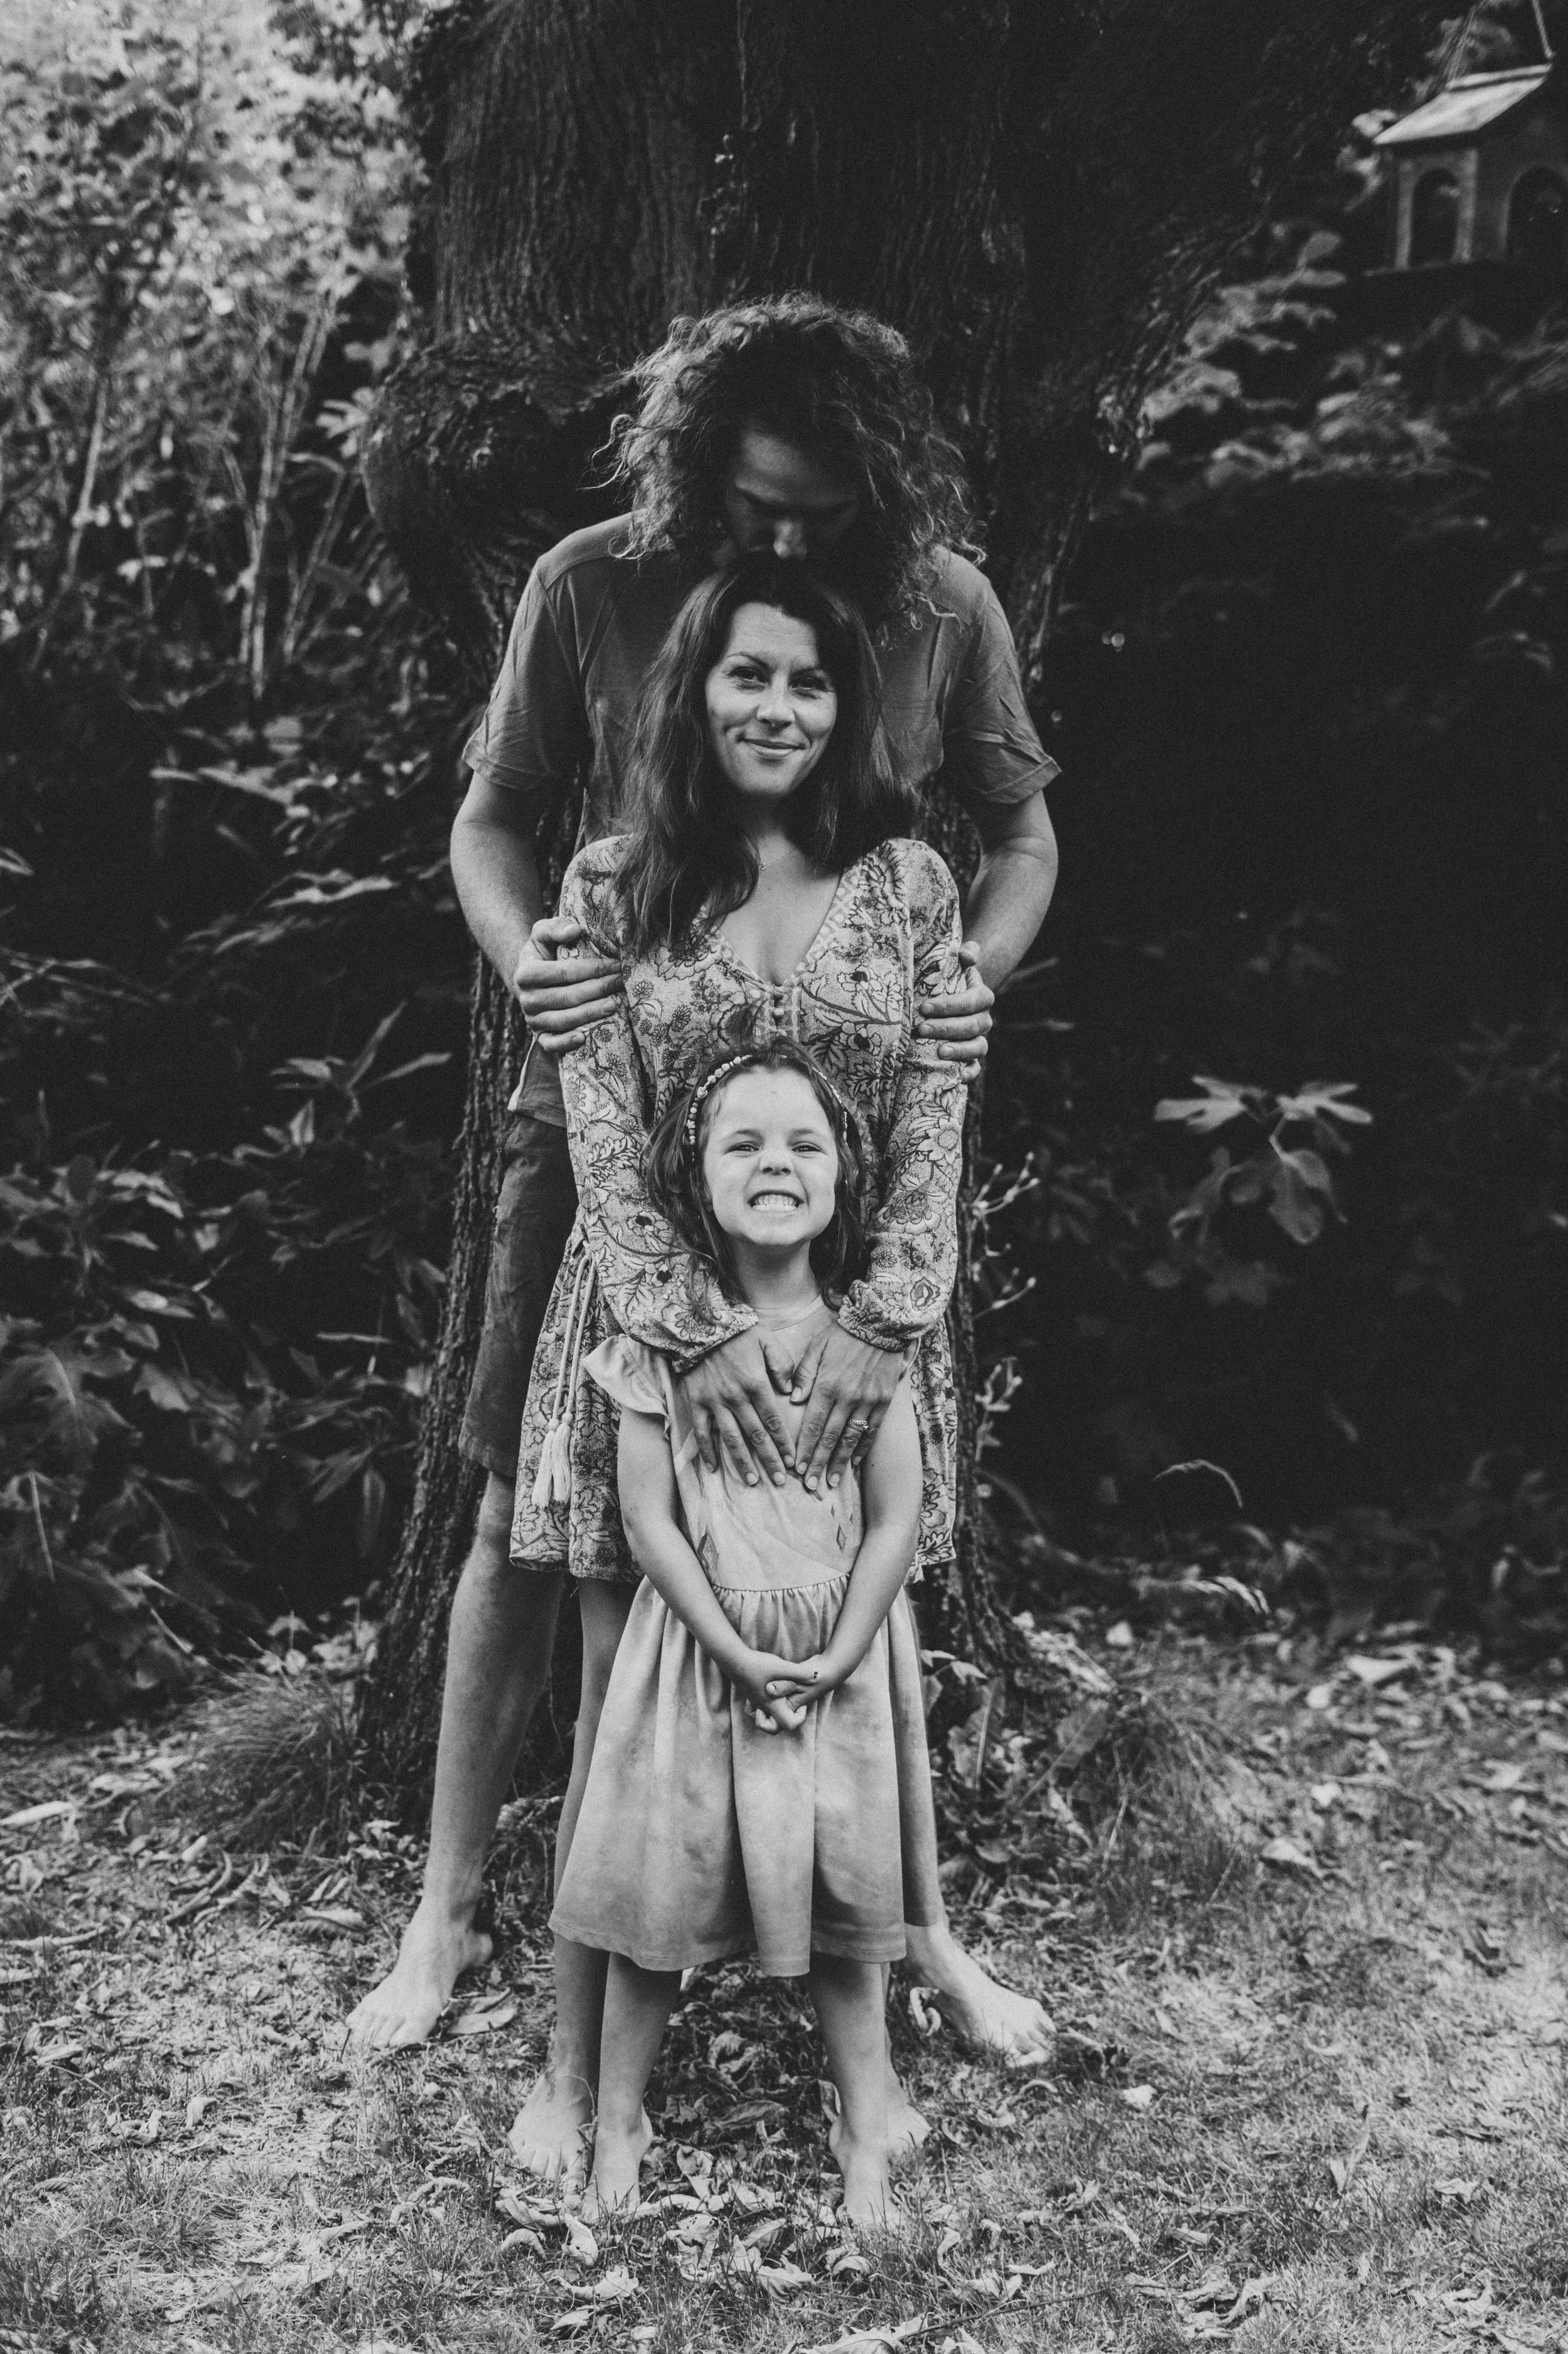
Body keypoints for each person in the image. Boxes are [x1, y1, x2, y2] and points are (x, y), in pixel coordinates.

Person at [346, 296, 1059, 2106]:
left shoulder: (943, 603)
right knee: (529, 1502)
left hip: (839, 1148)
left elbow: (1019, 830)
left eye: (824, 512)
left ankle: (911, 1926)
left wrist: (963, 978)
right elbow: (493, 818)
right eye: (758, 509)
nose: (790, 544)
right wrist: (539, 965)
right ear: (695, 473)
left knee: (856, 1502)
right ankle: (447, 1907)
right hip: (606, 1110)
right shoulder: (589, 582)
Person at [508, 557, 969, 2191]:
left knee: (849, 1686)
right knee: (619, 1709)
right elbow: (604, 1134)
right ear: (693, 690)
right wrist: (688, 1335)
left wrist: (874, 1330)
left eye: (809, 679)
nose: (777, 706)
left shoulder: (907, 887)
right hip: (649, 1341)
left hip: (848, 1349)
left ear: (846, 706)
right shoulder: (617, 881)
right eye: (746, 673)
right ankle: (573, 2071)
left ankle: (872, 2021)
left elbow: (929, 1127)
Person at [556, 1043, 924, 2228]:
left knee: (846, 1908)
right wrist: (729, 1647)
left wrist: (839, 1654)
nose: (777, 1163)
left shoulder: (870, 1353)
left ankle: (863, 2122)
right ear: (694, 1175)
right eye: (744, 1143)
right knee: (658, 1905)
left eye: (804, 1143)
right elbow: (648, 1524)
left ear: (843, 1175)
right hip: (695, 1660)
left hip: (832, 1665)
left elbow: (897, 1518)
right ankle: (620, 2116)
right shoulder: (659, 1350)